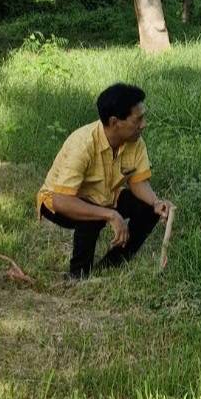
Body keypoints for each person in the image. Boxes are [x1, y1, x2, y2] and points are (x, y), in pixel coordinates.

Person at [36, 83, 173, 279]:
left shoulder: (135, 141)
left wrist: (156, 202)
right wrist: (110, 215)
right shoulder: (83, 143)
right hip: (59, 201)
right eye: (138, 119)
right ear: (115, 122)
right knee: (92, 215)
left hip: (105, 195)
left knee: (147, 209)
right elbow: (62, 200)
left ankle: (112, 264)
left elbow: (137, 182)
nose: (144, 124)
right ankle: (77, 276)